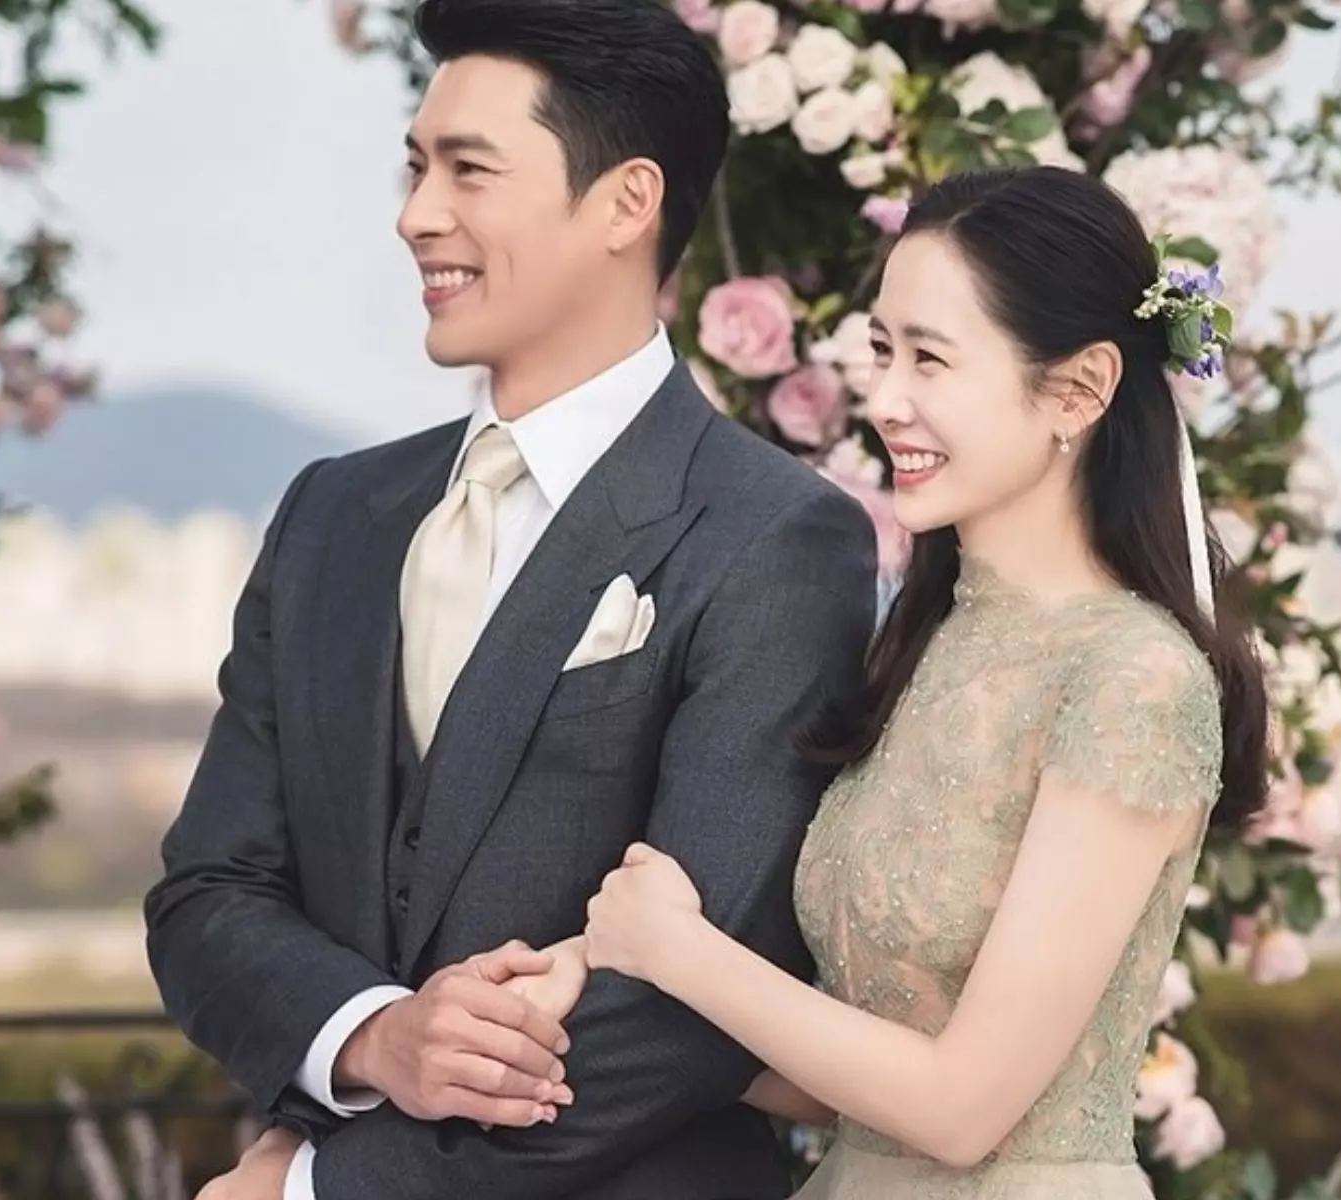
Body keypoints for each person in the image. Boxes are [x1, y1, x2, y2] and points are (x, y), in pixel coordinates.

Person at [143, 0, 878, 1196]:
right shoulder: (332, 513)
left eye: (468, 170)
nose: (415, 214)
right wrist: (374, 1036)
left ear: (626, 203)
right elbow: (207, 894)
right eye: (416, 166)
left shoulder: (773, 536)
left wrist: (318, 1188)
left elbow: (702, 999)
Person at [576, 166, 1272, 1199]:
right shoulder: (921, 646)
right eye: (881, 352)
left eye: (929, 359)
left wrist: (679, 952)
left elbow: (960, 1110)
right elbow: (847, 1086)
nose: (885, 401)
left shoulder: (1134, 681)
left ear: (1079, 390)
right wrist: (589, 1000)